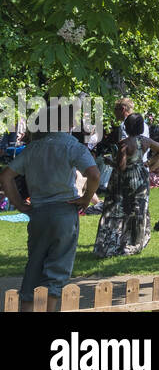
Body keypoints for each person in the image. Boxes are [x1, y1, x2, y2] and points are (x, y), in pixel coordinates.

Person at [0, 113, 100, 310]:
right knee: (57, 270)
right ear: (69, 124)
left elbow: (6, 176)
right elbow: (94, 174)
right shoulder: (73, 146)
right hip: (64, 210)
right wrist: (87, 198)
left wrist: (20, 205)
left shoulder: (33, 148)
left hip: (38, 212)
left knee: (34, 266)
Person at [94, 113, 159, 258]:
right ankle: (135, 242)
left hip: (126, 179)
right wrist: (149, 162)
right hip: (141, 176)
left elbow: (121, 167)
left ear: (126, 126)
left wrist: (109, 162)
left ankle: (115, 243)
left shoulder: (124, 144)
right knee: (138, 209)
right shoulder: (145, 141)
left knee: (118, 209)